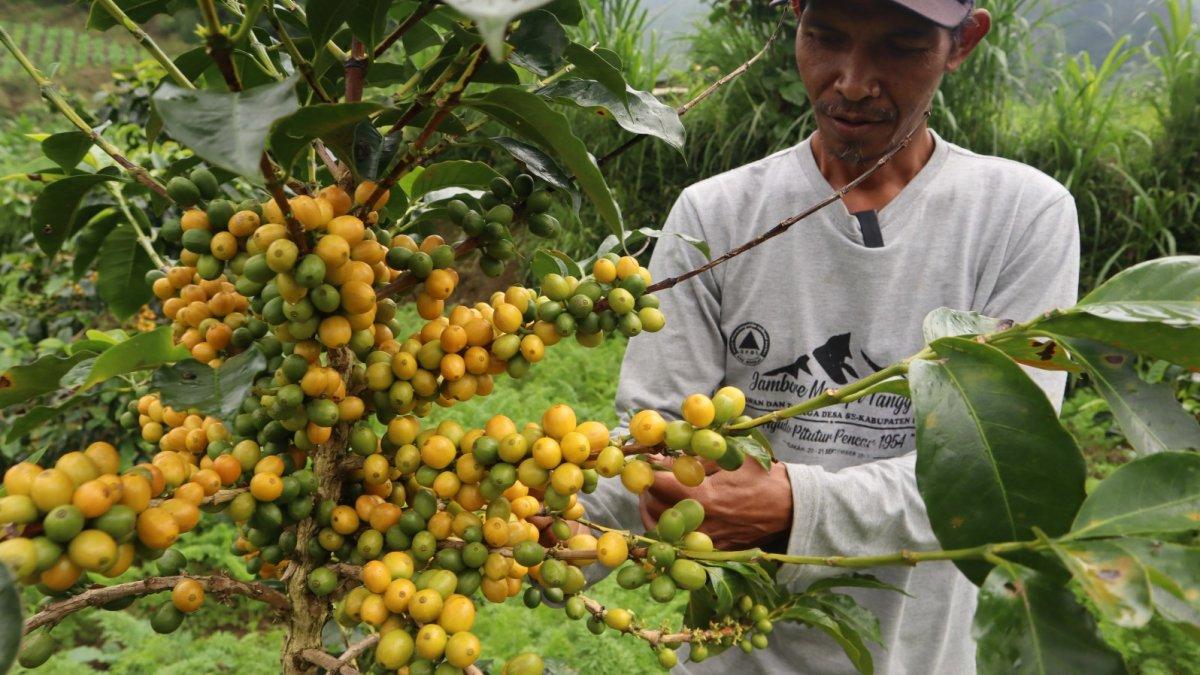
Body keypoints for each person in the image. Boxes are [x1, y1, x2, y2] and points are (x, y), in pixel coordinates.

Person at [579, 0, 1081, 672]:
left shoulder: (1021, 218)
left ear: (963, 42)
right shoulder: (717, 216)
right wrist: (559, 533)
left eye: (898, 47)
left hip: (920, 654)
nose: (850, 80)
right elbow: (655, 441)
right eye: (826, 38)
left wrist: (796, 503)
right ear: (795, 18)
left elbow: (1001, 476)